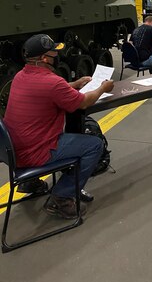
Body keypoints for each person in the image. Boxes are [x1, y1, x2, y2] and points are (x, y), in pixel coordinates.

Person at [4, 34, 114, 219]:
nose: (58, 55)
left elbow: (49, 91)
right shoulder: (52, 83)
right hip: (36, 152)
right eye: (54, 52)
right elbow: (84, 102)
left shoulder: (20, 76)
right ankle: (61, 198)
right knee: (94, 145)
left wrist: (75, 84)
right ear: (45, 58)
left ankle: (30, 183)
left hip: (13, 150)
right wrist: (103, 88)